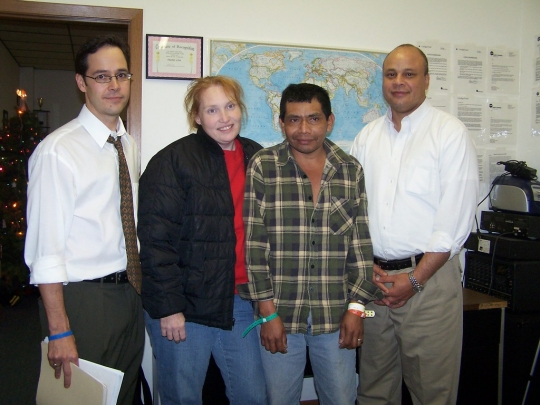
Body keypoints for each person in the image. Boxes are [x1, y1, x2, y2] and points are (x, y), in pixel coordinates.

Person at [350, 44, 479, 404]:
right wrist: (367, 270)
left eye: (409, 74)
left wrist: (415, 280)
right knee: (374, 389)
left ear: (426, 80)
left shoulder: (448, 133)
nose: (399, 82)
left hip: (429, 284)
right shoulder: (367, 137)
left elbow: (454, 222)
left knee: (431, 393)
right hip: (376, 283)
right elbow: (356, 211)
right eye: (391, 74)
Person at [238, 83, 381, 405]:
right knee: (280, 399)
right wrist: (267, 313)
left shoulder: (350, 170)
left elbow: (360, 245)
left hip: (336, 314)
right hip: (280, 314)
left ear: (329, 121)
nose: (303, 130)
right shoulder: (264, 166)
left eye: (313, 119)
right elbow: (254, 245)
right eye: (294, 120)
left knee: (342, 398)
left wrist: (357, 309)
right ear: (282, 122)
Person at [24, 35, 144, 405]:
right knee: (80, 399)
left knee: (122, 396)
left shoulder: (126, 143)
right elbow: (46, 248)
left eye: (121, 75)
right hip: (83, 300)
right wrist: (59, 329)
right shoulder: (58, 151)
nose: (113, 85)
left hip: (129, 293)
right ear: (81, 83)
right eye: (101, 76)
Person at [138, 75, 267, 405]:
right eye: (212, 110)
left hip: (237, 301)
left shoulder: (258, 158)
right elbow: (155, 241)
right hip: (184, 307)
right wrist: (168, 308)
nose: (224, 118)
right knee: (183, 398)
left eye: (230, 106)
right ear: (196, 116)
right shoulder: (171, 161)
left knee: (252, 395)